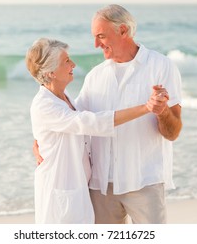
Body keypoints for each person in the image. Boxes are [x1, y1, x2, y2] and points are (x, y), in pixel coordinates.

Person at [26, 38, 165, 224]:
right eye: (66, 61)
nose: (73, 64)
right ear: (51, 72)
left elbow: (72, 123)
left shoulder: (64, 99)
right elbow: (92, 122)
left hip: (78, 191)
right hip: (59, 192)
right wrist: (145, 108)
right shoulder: (45, 105)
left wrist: (39, 143)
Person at [73, 4, 183, 224]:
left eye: (101, 36)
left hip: (144, 182)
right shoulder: (95, 76)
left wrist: (162, 112)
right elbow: (75, 122)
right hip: (101, 185)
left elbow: (173, 133)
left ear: (123, 31)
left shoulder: (161, 67)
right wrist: (41, 141)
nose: (96, 44)